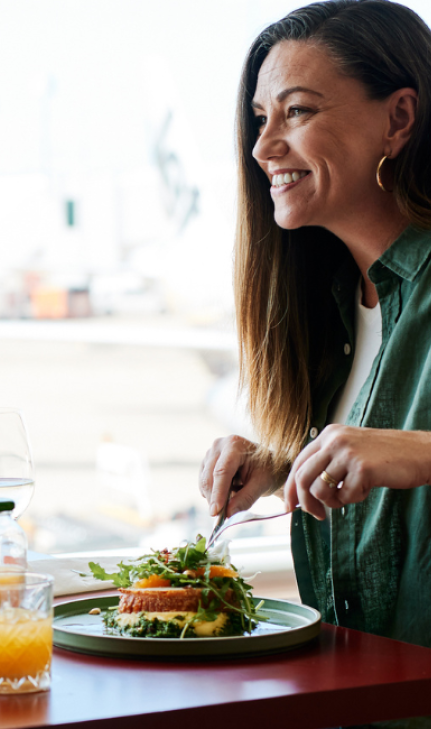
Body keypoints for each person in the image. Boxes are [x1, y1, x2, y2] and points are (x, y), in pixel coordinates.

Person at [199, 0, 431, 652]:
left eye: (297, 111)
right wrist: (284, 459)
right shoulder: (330, 301)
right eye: (260, 118)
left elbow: (404, 449)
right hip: (358, 693)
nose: (263, 146)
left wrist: (419, 453)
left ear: (398, 119)